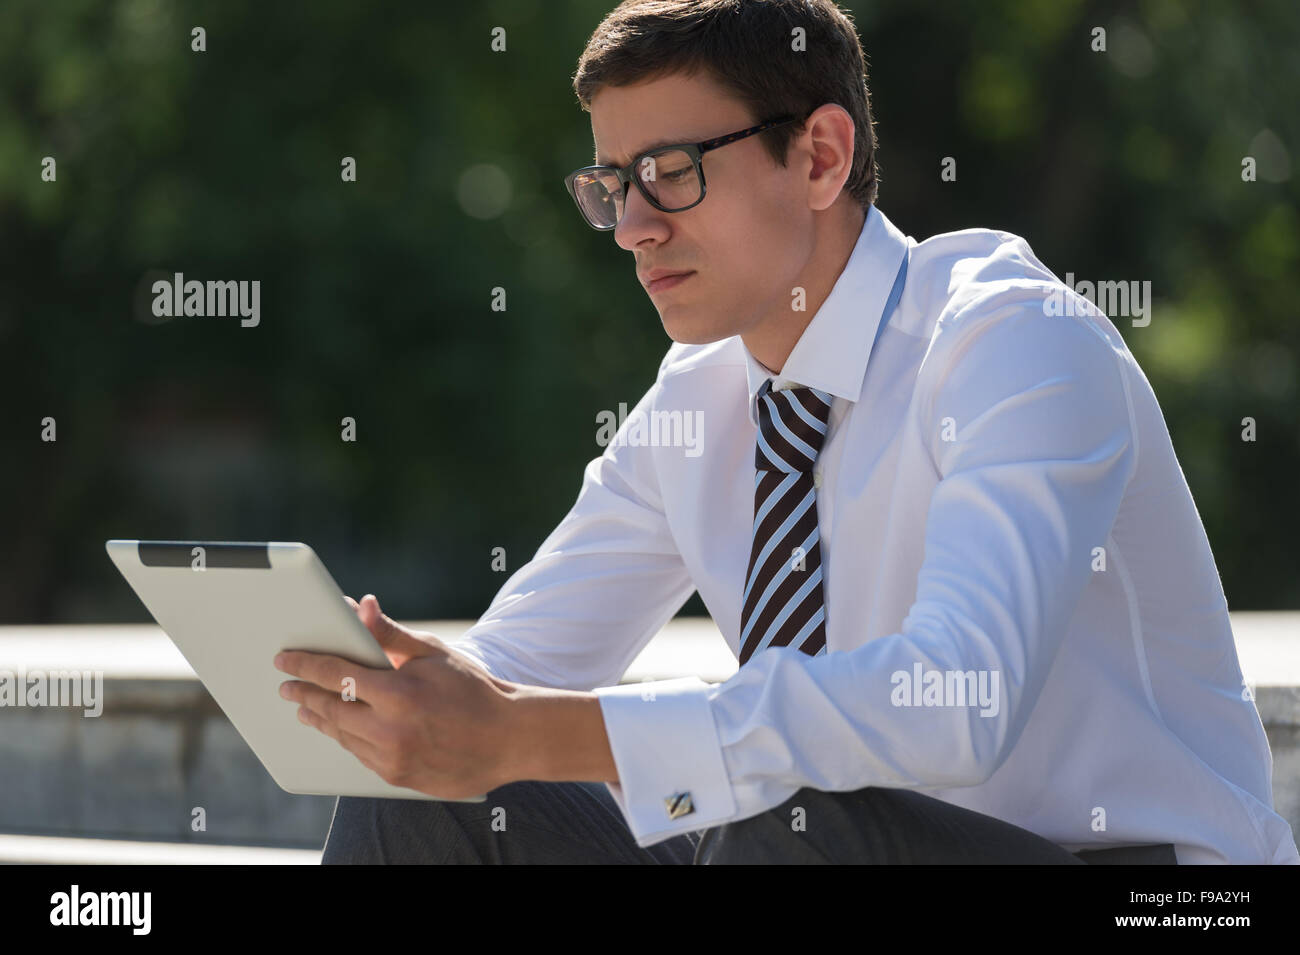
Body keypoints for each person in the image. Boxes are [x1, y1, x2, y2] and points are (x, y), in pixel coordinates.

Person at [274, 0, 1300, 864]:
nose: (632, 228)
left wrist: (526, 731)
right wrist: (391, 708)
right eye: (612, 185)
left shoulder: (1011, 338)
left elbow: (956, 703)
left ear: (818, 155)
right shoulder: (701, 395)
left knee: (781, 812)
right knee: (425, 798)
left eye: (671, 170)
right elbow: (514, 673)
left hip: (1158, 886)